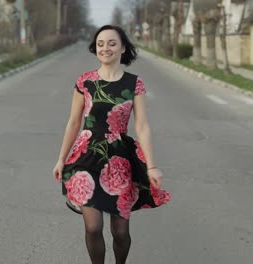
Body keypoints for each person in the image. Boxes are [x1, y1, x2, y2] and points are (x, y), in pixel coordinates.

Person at [52, 25, 171, 264]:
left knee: (120, 231)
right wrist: (61, 158)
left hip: (119, 160)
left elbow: (143, 126)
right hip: (86, 156)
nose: (105, 48)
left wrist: (151, 166)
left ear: (123, 47)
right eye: (100, 44)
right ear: (95, 48)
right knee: (93, 227)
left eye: (112, 43)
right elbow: (74, 122)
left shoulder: (133, 84)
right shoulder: (85, 82)